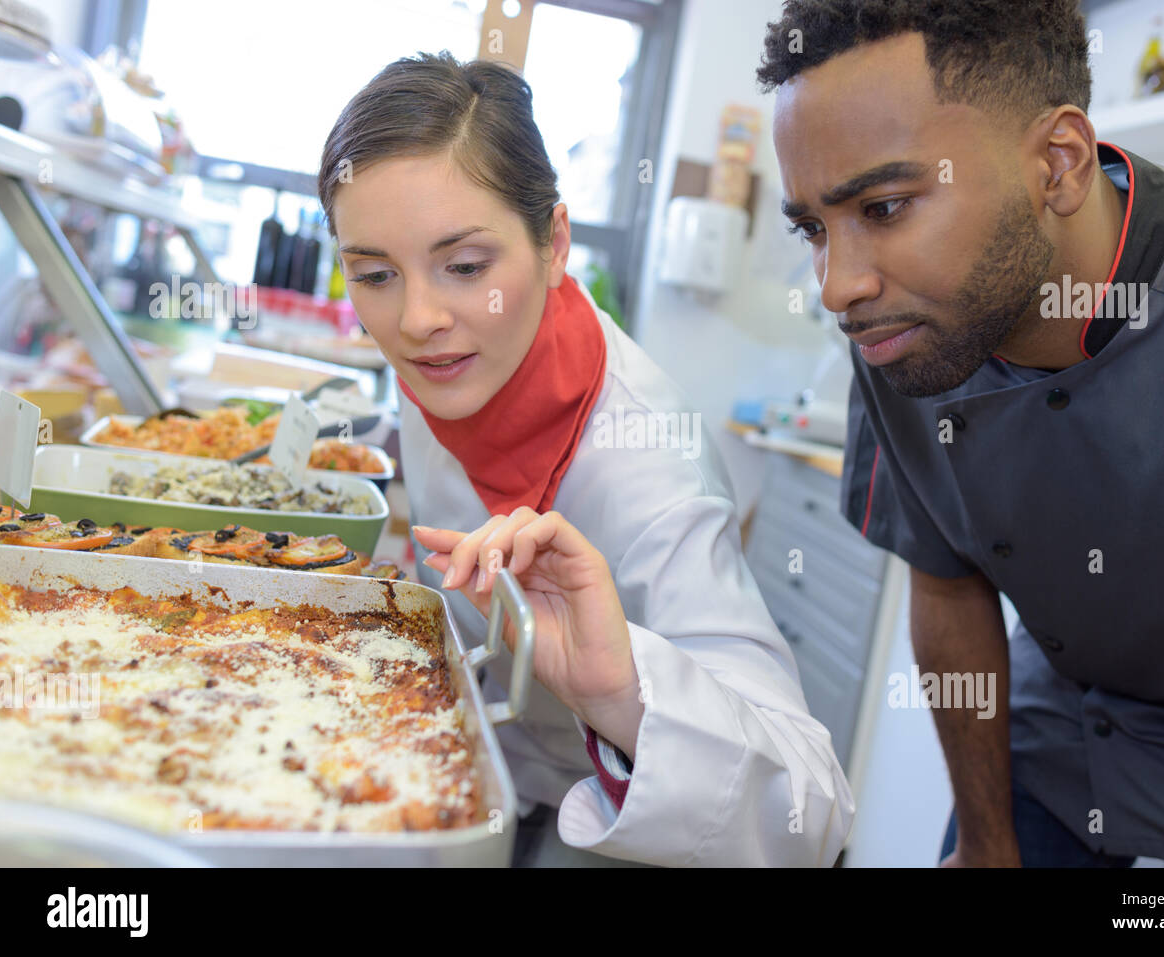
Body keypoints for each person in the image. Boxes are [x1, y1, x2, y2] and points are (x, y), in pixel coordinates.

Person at [759, 0, 1164, 867]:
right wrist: (985, 844)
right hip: (1073, 741)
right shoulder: (901, 336)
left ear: (1057, 163)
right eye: (814, 228)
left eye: (887, 207)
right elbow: (948, 586)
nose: (838, 285)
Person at [317, 51, 854, 866]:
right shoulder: (453, 358)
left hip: (618, 821)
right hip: (476, 762)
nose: (417, 317)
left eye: (465, 267)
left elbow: (811, 815)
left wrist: (622, 693)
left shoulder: (646, 460)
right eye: (375, 274)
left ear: (555, 242)